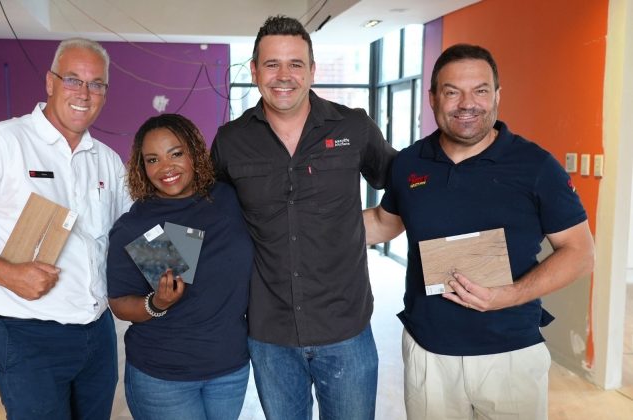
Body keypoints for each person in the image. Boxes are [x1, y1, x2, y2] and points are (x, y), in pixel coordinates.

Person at [363, 43, 595, 419]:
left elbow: (580, 252)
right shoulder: (409, 163)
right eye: (453, 91)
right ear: (434, 97)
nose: (466, 103)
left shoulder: (535, 166)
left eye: (480, 91)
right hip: (429, 351)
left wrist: (510, 295)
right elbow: (384, 223)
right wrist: (301, 224)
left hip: (510, 354)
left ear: (497, 96)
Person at [0, 38, 132, 419]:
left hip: (98, 333)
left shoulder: (108, 161)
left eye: (96, 84)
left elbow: (133, 231)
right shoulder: (1, 143)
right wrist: (8, 274)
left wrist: (179, 269)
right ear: (50, 83)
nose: (84, 93)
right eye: (73, 79)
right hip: (26, 337)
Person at [210, 15, 396, 420]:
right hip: (269, 334)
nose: (284, 75)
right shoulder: (231, 141)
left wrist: (384, 220)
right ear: (255, 70)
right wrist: (161, 271)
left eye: (296, 64)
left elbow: (404, 181)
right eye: (272, 64)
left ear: (312, 70)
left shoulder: (353, 126)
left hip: (346, 328)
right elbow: (205, 216)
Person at [106, 114, 253, 420]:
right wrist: (156, 303)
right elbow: (120, 304)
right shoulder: (137, 225)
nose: (166, 167)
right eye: (152, 159)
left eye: (176, 153)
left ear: (194, 152)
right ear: (141, 167)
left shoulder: (228, 199)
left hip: (230, 369)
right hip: (164, 376)